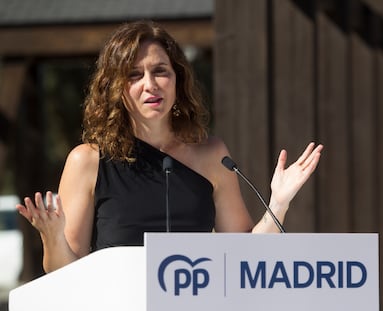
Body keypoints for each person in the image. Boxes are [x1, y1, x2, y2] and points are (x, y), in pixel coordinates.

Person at [16, 21, 323, 273]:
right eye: (134, 75)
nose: (150, 84)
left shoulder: (213, 155)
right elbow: (65, 274)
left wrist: (279, 203)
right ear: (115, 88)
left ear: (177, 79)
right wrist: (52, 237)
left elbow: (245, 258)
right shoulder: (87, 161)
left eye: (160, 70)